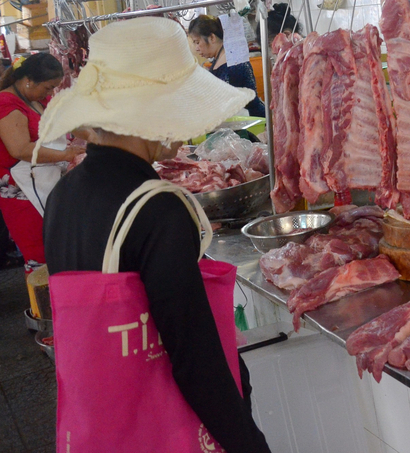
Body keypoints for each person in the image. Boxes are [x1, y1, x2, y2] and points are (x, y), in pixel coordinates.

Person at [38, 17, 270, 452]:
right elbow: (194, 357)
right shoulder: (156, 207)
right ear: (153, 109)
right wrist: (249, 443)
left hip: (100, 427)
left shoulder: (64, 194)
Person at [0, 53, 83, 274]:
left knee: (55, 247)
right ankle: (41, 307)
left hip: (43, 178)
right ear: (29, 80)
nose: (50, 93)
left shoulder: (37, 98)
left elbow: (66, 122)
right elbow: (20, 149)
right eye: (48, 87)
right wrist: (66, 155)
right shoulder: (6, 103)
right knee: (38, 253)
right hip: (20, 189)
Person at [188, 14, 266, 118]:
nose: (197, 48)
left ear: (212, 38)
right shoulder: (219, 59)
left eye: (197, 42)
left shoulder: (233, 62)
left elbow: (234, 101)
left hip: (253, 120)